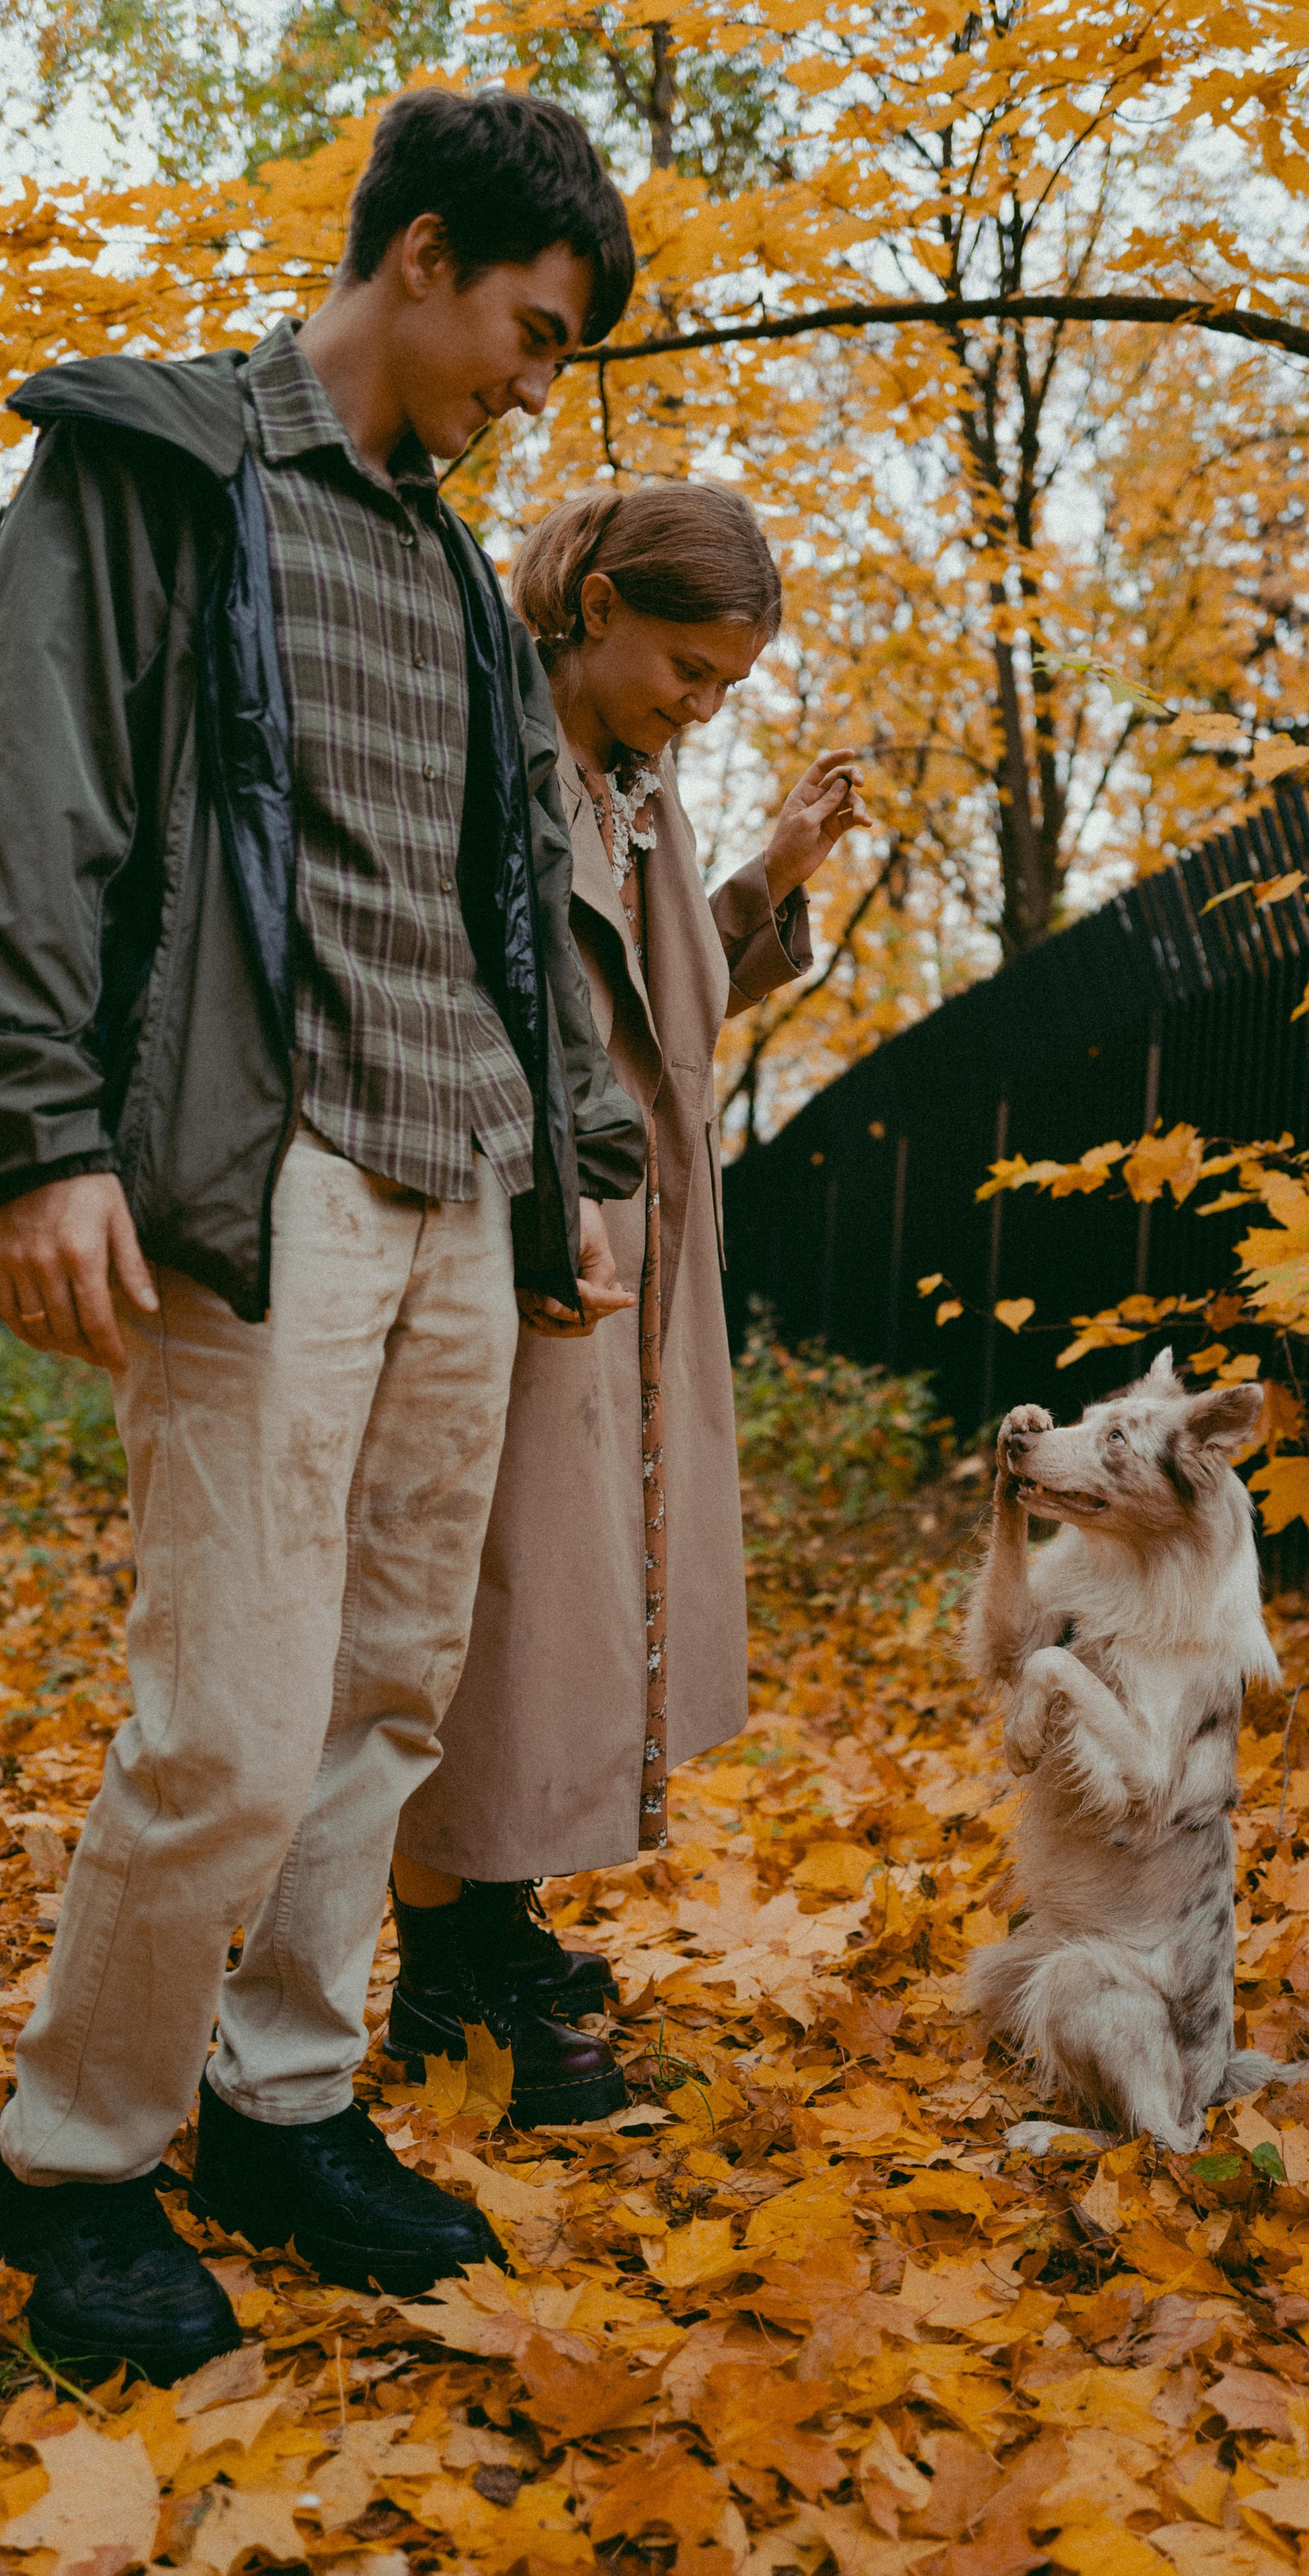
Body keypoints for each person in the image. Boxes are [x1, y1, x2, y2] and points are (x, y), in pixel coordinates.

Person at [0, 88, 650, 2382]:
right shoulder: (160, 470)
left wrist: (574, 1157)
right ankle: (74, 2155)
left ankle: (282, 2092)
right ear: (417, 258)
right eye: (526, 326)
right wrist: (30, 1129)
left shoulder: (452, 584)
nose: (536, 383)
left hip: (457, 1187)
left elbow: (515, 898)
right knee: (225, 1711)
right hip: (263, 1176)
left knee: (384, 1688)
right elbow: (20, 800)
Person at [384, 484, 869, 2113]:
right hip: (517, 1234)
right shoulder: (489, 745)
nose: (700, 702)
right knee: (495, 1605)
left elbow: (663, 1013)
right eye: (684, 664)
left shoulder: (629, 781)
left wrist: (768, 871)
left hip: (627, 1252)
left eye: (727, 683)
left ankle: (498, 1928)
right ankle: (447, 1986)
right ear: (590, 608)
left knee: (572, 1606)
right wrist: (529, 1209)